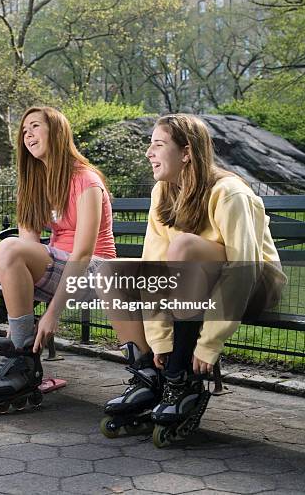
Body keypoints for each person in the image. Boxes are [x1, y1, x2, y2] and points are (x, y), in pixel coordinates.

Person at [101, 113, 286, 443]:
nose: (149, 153)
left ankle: (181, 379)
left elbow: (243, 271)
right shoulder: (163, 192)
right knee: (112, 271)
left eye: (158, 145)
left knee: (184, 245)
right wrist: (160, 340)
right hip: (197, 282)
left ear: (187, 152)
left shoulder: (229, 193)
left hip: (254, 282)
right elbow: (154, 266)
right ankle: (151, 377)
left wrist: (209, 342)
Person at [0, 106, 116, 413]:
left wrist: (52, 314)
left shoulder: (85, 179)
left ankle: (22, 359)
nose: (28, 134)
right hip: (57, 269)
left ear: (57, 132)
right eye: (24, 130)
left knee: (11, 247)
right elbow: (25, 246)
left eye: (35, 127)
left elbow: (82, 253)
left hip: (94, 272)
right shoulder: (34, 182)